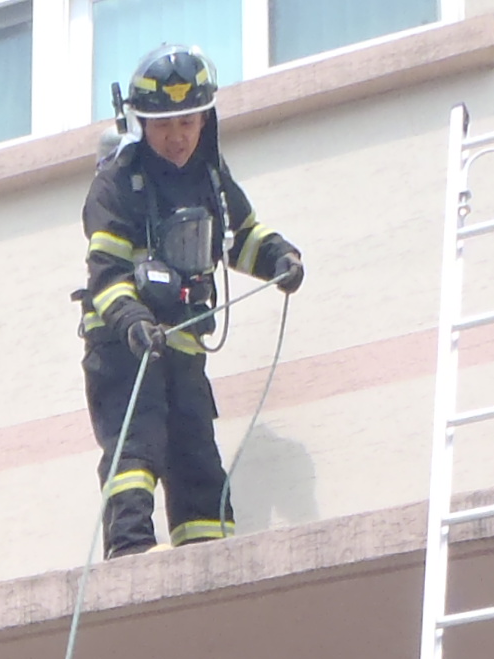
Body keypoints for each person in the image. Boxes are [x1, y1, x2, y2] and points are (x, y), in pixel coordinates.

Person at [77, 42, 307, 559]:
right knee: (137, 445)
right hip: (125, 349)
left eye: (188, 122)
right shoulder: (117, 185)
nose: (178, 136)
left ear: (205, 119)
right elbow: (106, 274)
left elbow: (240, 236)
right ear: (141, 124)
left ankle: (208, 558)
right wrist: (132, 320)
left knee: (195, 453)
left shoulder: (210, 178)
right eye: (164, 125)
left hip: (182, 345)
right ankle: (131, 550)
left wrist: (280, 258)